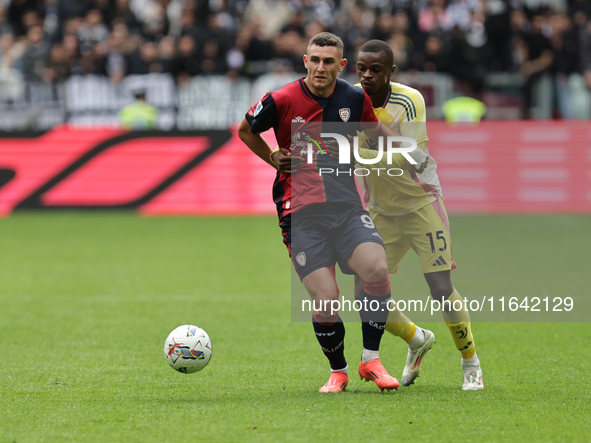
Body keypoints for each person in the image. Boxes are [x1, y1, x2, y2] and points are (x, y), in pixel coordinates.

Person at [238, 32, 426, 393]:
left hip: (346, 208)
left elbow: (376, 130)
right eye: (314, 60)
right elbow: (246, 130)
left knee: (376, 267)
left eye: (328, 61)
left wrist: (411, 152)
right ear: (305, 61)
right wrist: (271, 156)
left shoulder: (354, 98)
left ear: (341, 66)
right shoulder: (280, 99)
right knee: (326, 299)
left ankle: (370, 359)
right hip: (300, 214)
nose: (320, 67)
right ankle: (337, 370)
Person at [353, 39, 483, 390]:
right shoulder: (348, 99)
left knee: (440, 288)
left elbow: (409, 159)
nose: (366, 75)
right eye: (361, 68)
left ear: (391, 72)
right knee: (363, 292)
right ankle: (416, 338)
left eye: (375, 69)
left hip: (421, 205)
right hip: (380, 210)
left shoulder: (409, 101)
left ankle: (470, 362)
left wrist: (355, 156)